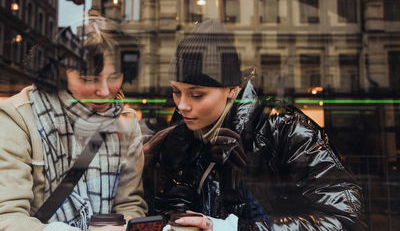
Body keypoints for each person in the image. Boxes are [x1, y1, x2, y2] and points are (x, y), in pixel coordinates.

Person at [140, 19, 366, 230]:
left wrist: (237, 228)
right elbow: (174, 203)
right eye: (176, 92)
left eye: (197, 94)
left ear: (232, 89)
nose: (182, 105)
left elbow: (345, 219)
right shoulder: (183, 133)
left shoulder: (284, 127)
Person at [0, 19, 147, 231]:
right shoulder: (17, 118)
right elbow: (7, 217)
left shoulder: (125, 121)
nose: (105, 91)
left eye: (115, 76)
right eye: (89, 78)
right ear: (57, 73)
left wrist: (123, 226)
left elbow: (129, 203)